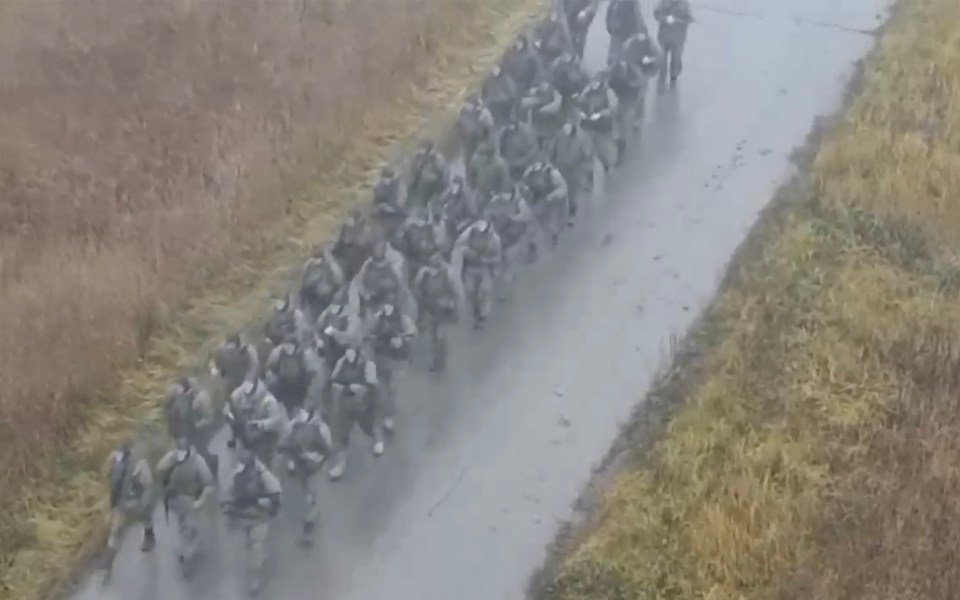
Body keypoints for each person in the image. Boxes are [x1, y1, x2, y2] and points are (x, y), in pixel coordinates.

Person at [221, 447, 282, 597]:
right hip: (242, 516)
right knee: (251, 543)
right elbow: (228, 492)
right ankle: (261, 556)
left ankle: (254, 579)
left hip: (259, 517)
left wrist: (260, 502)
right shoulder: (236, 474)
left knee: (255, 545)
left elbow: (275, 495)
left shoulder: (264, 475)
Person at [156, 437, 215, 577]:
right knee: (186, 528)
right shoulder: (173, 457)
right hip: (176, 500)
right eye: (179, 451)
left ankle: (187, 554)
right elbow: (159, 468)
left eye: (183, 451)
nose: (180, 454)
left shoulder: (198, 462)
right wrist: (170, 458)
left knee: (190, 529)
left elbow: (209, 484)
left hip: (191, 499)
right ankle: (188, 554)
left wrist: (200, 501)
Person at [102, 440, 156, 585]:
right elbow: (109, 478)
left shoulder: (139, 464)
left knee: (145, 517)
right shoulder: (114, 460)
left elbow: (148, 483)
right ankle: (108, 564)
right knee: (115, 531)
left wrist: (144, 500)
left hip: (135, 501)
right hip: (121, 503)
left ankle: (149, 535)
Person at [277, 407, 332, 546]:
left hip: (312, 465)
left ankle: (308, 528)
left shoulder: (318, 427)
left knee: (310, 494)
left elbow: (327, 447)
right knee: (305, 492)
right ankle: (310, 515)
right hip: (304, 464)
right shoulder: (298, 425)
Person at [326, 346, 383, 480]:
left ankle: (377, 438)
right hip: (345, 404)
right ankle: (340, 464)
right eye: (346, 350)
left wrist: (364, 392)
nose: (348, 354)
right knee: (341, 435)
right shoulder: (341, 363)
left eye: (351, 350)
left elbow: (372, 386)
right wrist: (346, 388)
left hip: (364, 403)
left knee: (368, 426)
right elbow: (333, 380)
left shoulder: (368, 365)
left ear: (357, 350)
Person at [364, 302, 417, 432]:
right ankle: (381, 413)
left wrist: (402, 340)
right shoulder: (377, 319)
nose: (386, 308)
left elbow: (412, 334)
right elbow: (368, 334)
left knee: (392, 390)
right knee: (381, 390)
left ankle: (389, 417)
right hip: (381, 358)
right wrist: (374, 341)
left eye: (389, 305)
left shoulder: (403, 320)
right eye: (384, 305)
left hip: (398, 361)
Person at [413, 251, 463, 372]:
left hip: (444, 311)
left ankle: (440, 361)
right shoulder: (423, 273)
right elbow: (417, 290)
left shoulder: (449, 274)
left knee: (441, 337)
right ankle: (436, 359)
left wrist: (452, 304)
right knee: (432, 337)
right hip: (429, 310)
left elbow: (458, 292)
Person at [164, 377, 219, 481]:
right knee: (195, 454)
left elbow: (186, 416)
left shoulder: (178, 403)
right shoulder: (173, 405)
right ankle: (205, 471)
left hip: (188, 432)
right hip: (184, 433)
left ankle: (211, 466)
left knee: (200, 452)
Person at [488, 186, 536, 301]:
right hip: (508, 239)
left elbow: (526, 218)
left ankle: (502, 291)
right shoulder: (518, 203)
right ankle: (502, 290)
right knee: (505, 267)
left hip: (509, 239)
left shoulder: (514, 203)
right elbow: (527, 218)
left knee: (505, 266)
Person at [227, 378, 288, 469]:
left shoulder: (269, 400)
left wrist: (259, 424)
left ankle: (267, 460)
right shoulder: (246, 392)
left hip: (273, 432)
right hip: (259, 428)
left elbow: (276, 421)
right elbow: (239, 400)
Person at [452, 219, 503, 330]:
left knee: (484, 291)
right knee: (470, 292)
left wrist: (484, 260)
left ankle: (483, 313)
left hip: (486, 268)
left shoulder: (495, 240)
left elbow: (497, 258)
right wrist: (466, 253)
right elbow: (458, 249)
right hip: (470, 267)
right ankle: (475, 313)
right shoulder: (466, 236)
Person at [265, 336, 322, 419]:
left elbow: (312, 380)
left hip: (297, 387)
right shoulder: (278, 354)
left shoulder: (304, 357)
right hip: (286, 387)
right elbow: (270, 368)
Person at [549, 121, 595, 223]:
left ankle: (571, 211)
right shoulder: (559, 135)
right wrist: (551, 162)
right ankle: (561, 212)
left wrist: (586, 166)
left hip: (574, 168)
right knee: (559, 190)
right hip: (560, 167)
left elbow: (587, 154)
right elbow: (553, 149)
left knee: (571, 191)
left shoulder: (581, 138)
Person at [576, 75, 620, 174]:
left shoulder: (608, 92)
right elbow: (580, 102)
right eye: (593, 83)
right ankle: (589, 176)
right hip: (587, 126)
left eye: (596, 83)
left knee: (602, 152)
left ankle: (606, 164)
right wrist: (581, 113)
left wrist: (600, 115)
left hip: (602, 128)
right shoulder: (587, 91)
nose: (594, 85)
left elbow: (613, 109)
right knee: (587, 152)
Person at [522, 161, 570, 248]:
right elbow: (525, 185)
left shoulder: (554, 174)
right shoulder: (528, 173)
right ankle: (532, 244)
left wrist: (550, 197)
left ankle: (554, 234)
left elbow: (563, 189)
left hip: (555, 197)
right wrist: (528, 193)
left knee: (552, 222)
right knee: (532, 219)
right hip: (538, 196)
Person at [298, 244, 346, 321]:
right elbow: (303, 288)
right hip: (312, 301)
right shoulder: (309, 266)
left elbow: (339, 283)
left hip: (327, 302)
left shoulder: (332, 268)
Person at [519, 80, 565, 153]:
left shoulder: (537, 105)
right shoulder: (537, 111)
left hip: (546, 131)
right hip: (545, 134)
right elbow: (555, 107)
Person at [654, 0, 693, 85]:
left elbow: (689, 19)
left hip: (678, 38)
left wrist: (681, 21)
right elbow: (656, 14)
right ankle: (662, 75)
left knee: (676, 57)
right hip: (664, 36)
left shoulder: (685, 5)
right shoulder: (663, 2)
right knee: (662, 56)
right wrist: (664, 19)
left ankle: (674, 76)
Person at [212, 333, 261, 400]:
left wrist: (244, 387)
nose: (230, 353)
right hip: (232, 386)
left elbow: (253, 369)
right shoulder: (222, 352)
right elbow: (218, 368)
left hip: (250, 389)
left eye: (232, 350)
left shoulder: (249, 351)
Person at [467, 136, 513, 203]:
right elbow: (472, 176)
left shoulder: (501, 164)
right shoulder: (475, 159)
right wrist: (475, 191)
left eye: (487, 154)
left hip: (497, 197)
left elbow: (506, 187)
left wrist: (499, 198)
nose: (484, 158)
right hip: (481, 195)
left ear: (492, 154)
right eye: (481, 154)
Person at [332, 210, 375, 281]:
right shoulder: (348, 228)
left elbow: (369, 253)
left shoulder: (367, 233)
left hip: (358, 265)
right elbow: (340, 243)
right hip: (346, 262)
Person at [438, 175, 482, 244]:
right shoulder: (451, 197)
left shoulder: (466, 198)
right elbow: (441, 201)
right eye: (453, 185)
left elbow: (473, 215)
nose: (454, 187)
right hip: (451, 226)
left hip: (463, 226)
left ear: (460, 186)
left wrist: (462, 224)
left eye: (456, 185)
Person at [406, 140, 448, 209]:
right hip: (426, 183)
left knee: (430, 202)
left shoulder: (436, 157)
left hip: (431, 183)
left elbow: (441, 170)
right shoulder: (419, 157)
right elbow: (414, 170)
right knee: (424, 202)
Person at [456, 96, 497, 165]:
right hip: (469, 140)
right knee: (468, 160)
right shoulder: (467, 111)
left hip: (481, 140)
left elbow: (489, 133)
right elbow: (460, 121)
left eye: (479, 110)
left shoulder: (486, 116)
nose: (477, 111)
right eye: (476, 109)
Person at [549, 52, 590, 118]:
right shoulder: (564, 68)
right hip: (565, 93)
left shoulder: (581, 71)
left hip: (576, 93)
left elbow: (586, 82)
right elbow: (557, 83)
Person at [606, 0, 648, 65]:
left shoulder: (629, 2)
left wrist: (643, 30)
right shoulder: (617, 2)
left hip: (624, 33)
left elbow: (638, 17)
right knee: (618, 57)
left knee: (618, 57)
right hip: (622, 33)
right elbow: (638, 16)